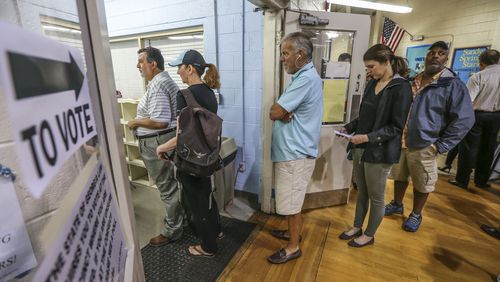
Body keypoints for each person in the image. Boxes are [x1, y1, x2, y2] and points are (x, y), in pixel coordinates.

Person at [384, 41, 475, 232]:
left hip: (426, 143)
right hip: (402, 140)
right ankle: (397, 203)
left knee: (422, 182)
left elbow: (465, 119)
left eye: (441, 53)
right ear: (426, 57)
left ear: (446, 58)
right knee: (400, 175)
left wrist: (440, 145)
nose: (435, 56)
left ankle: (416, 214)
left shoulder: (452, 85)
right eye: (432, 53)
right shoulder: (412, 80)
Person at [338, 44, 412, 247]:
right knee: (362, 191)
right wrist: (350, 127)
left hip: (380, 151)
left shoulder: (402, 88)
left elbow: (396, 128)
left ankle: (369, 234)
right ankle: (356, 226)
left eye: (371, 66)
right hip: (362, 147)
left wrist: (367, 138)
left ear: (386, 62)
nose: (368, 71)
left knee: (376, 197)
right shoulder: (372, 83)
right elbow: (366, 116)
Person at [156, 49, 222, 257]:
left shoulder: (184, 95)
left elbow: (181, 136)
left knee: (196, 202)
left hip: (191, 161)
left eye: (180, 68)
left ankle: (208, 246)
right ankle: (217, 230)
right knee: (208, 195)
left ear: (190, 69)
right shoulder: (210, 93)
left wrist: (161, 147)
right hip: (208, 157)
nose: (178, 73)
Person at [267, 32, 323, 264]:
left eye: (285, 53)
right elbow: (281, 112)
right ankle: (293, 232)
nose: (282, 58)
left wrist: (281, 111)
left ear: (301, 55)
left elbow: (274, 112)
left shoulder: (305, 79)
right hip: (294, 152)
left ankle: (293, 247)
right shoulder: (303, 77)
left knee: (292, 201)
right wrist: (283, 111)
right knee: (292, 199)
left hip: (295, 154)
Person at [127, 47, 184, 246]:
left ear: (153, 64)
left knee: (167, 188)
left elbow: (160, 121)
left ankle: (172, 231)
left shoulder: (159, 84)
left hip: (157, 141)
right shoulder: (161, 82)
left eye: (141, 61)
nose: (138, 66)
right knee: (172, 185)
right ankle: (178, 222)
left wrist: (135, 122)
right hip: (161, 139)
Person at [449, 49, 500, 189]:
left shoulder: (478, 76)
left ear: (481, 62)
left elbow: (468, 100)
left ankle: (462, 180)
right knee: (488, 148)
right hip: (496, 116)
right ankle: (481, 181)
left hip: (477, 115)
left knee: (468, 148)